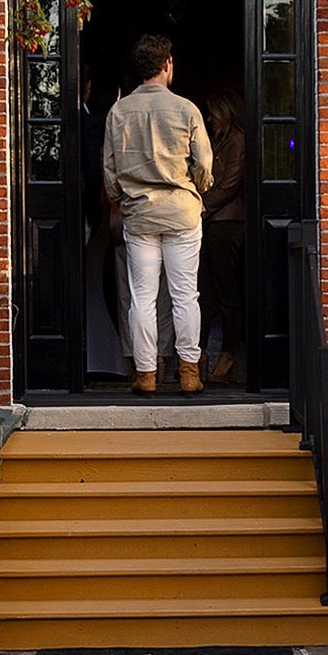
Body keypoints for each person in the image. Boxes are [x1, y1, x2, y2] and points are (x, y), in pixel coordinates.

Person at [102, 33, 212, 394]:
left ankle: (146, 374)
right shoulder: (186, 109)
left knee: (142, 298)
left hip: (140, 215)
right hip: (181, 213)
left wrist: (121, 195)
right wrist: (195, 186)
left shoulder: (118, 112)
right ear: (166, 65)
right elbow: (204, 164)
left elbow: (109, 170)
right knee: (185, 296)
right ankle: (188, 373)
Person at [199, 90, 246, 384]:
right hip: (213, 222)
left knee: (227, 293)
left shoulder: (237, 140)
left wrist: (200, 205)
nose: (208, 119)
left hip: (226, 224)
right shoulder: (218, 140)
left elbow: (229, 184)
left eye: (212, 113)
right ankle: (206, 355)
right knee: (207, 292)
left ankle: (230, 354)